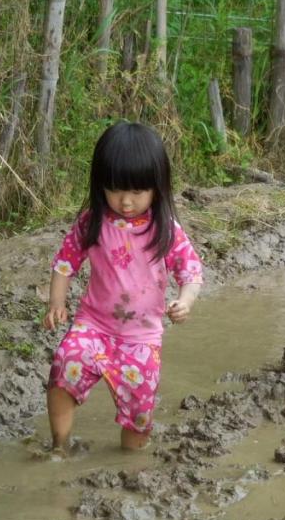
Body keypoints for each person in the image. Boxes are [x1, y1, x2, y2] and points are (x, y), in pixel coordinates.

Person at [42, 122, 203, 453]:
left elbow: (191, 271)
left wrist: (185, 301)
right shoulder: (92, 222)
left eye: (137, 192)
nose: (126, 202)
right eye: (115, 190)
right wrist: (56, 302)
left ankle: (130, 463)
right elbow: (65, 263)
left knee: (138, 418)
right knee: (63, 365)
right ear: (100, 184)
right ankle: (59, 445)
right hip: (94, 326)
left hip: (141, 340)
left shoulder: (165, 228)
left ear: (157, 188)